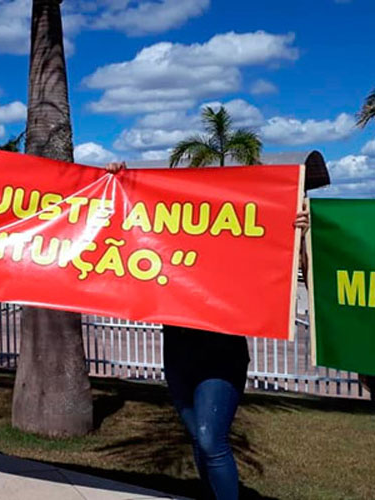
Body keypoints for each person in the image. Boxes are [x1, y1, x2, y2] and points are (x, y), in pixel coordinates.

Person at [105, 161, 308, 500]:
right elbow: (120, 232)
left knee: (211, 439)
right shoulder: (160, 244)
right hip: (179, 354)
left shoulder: (235, 247)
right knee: (200, 440)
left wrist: (297, 233)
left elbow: (283, 264)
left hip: (221, 354)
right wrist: (117, 182)